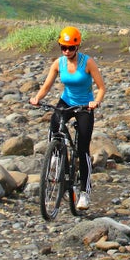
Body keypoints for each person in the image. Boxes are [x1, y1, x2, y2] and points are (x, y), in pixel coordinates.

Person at [29, 26, 106, 210]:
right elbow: (47, 85)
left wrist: (96, 101)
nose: (67, 51)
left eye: (70, 48)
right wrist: (37, 98)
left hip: (84, 106)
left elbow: (101, 87)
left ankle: (85, 193)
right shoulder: (58, 63)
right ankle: (55, 157)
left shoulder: (88, 63)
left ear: (77, 47)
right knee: (54, 125)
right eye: (63, 47)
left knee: (82, 150)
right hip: (66, 101)